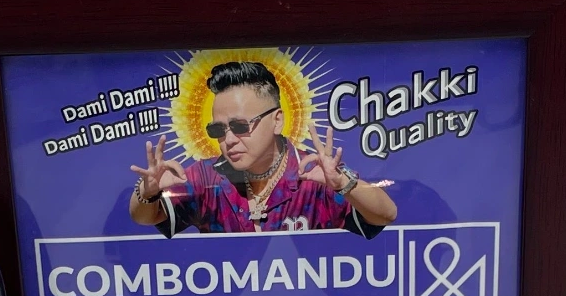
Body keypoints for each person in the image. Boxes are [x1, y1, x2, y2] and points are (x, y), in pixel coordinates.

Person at [127, 59, 397, 238]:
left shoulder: (316, 174)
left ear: (277, 120)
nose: (229, 140)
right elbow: (146, 217)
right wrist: (147, 192)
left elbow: (386, 214)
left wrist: (342, 184)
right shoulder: (207, 177)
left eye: (240, 126)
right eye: (218, 130)